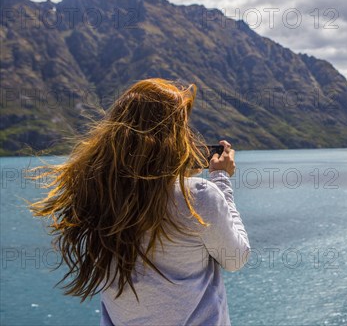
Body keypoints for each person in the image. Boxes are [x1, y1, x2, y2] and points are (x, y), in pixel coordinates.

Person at [30, 78, 250, 325]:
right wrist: (220, 180)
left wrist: (176, 174)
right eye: (183, 128)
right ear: (172, 137)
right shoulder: (198, 196)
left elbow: (148, 191)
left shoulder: (98, 192)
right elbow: (235, 258)